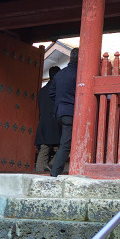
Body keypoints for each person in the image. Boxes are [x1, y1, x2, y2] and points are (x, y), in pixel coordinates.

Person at [48, 48, 78, 177]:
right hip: (71, 112)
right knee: (66, 144)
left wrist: (61, 101)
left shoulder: (60, 74)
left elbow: (51, 93)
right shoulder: (79, 73)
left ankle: (55, 169)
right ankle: (54, 173)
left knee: (65, 142)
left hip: (60, 112)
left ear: (70, 58)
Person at [34, 66, 61, 172]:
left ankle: (39, 172)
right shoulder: (58, 90)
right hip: (56, 122)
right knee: (64, 146)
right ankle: (51, 165)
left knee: (44, 148)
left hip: (43, 123)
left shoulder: (42, 91)